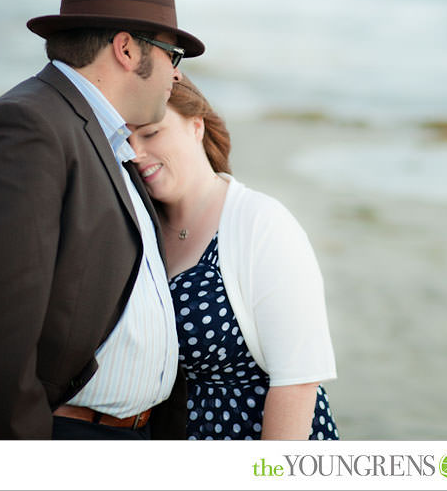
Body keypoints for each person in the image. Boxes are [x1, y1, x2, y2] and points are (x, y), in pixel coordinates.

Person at [0, 0, 204, 439]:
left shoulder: (102, 135)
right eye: (171, 54)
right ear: (126, 49)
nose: (177, 74)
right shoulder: (26, 129)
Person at [128, 76, 339, 440]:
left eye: (150, 133)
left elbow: (298, 381)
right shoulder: (141, 230)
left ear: (196, 126)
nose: (136, 153)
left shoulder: (260, 222)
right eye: (124, 142)